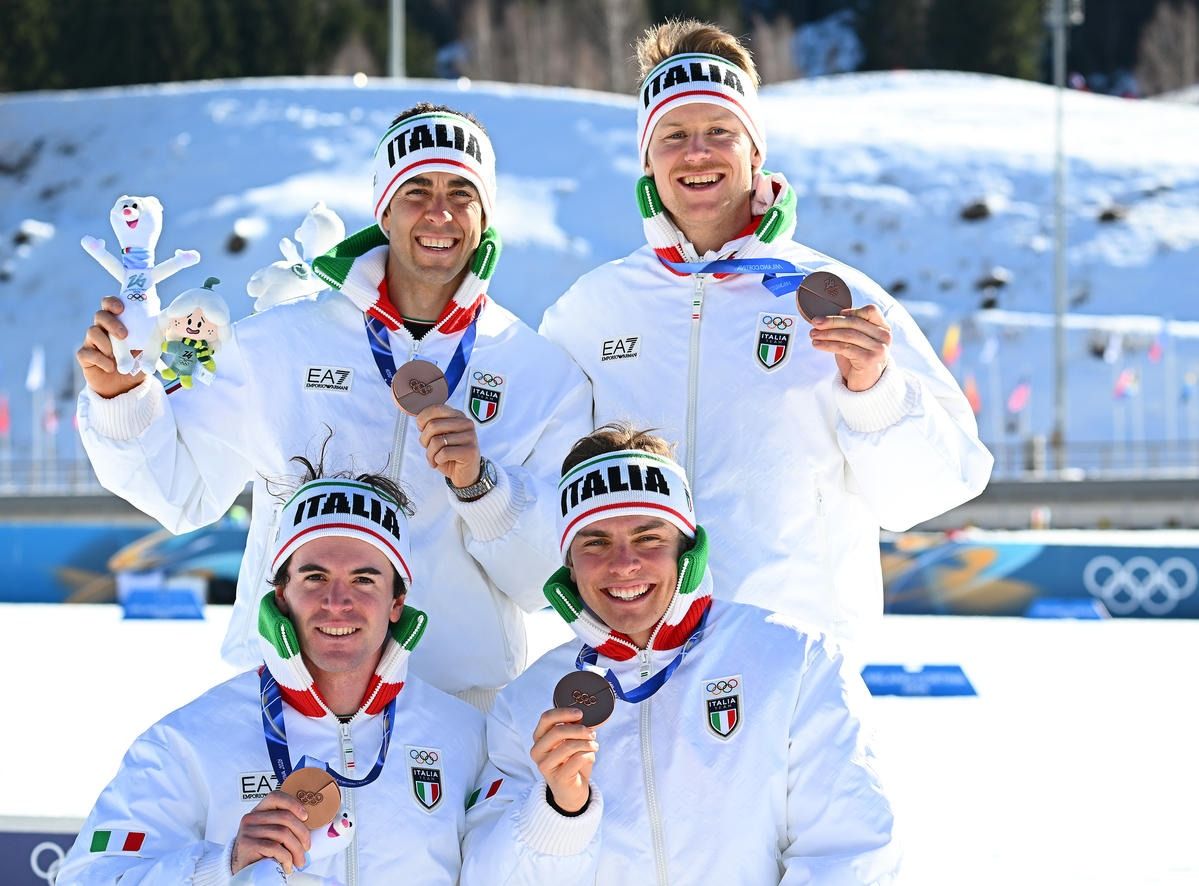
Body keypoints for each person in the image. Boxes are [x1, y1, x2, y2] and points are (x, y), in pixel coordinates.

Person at [76, 103, 591, 709]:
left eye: (461, 192)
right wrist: (120, 398)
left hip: (451, 708)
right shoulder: (278, 344)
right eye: (416, 191)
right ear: (384, 209)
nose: (440, 213)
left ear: (486, 213)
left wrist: (484, 490)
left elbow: (545, 581)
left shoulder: (541, 374)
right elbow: (179, 491)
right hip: (285, 703)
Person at [539, 20, 993, 650]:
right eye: (674, 135)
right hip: (634, 667)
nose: (697, 153)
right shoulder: (591, 311)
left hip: (796, 663)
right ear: (647, 158)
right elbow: (544, 493)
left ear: (755, 151)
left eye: (719, 132)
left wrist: (875, 392)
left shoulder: (839, 298)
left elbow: (933, 491)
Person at [460, 426, 900, 885]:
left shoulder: (795, 660)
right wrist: (558, 813)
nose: (623, 564)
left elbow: (849, 854)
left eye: (648, 538)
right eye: (595, 542)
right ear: (570, 564)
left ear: (686, 548)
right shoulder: (526, 702)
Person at [57, 471, 484, 883]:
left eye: (364, 580)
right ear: (282, 594)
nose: (337, 602)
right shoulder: (187, 742)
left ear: (396, 602)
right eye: (315, 577)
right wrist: (223, 866)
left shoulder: (466, 738)